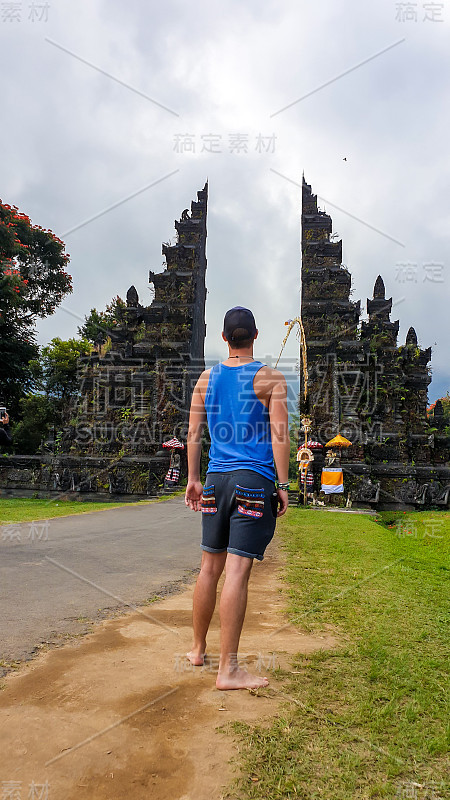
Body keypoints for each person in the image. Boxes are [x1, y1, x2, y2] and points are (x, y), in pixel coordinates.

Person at [185, 307, 290, 690]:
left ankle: (198, 651)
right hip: (253, 481)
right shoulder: (270, 378)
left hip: (215, 481)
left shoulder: (206, 378)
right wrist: (283, 484)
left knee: (208, 568)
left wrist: (194, 479)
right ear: (256, 335)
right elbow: (280, 437)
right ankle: (227, 671)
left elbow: (193, 435)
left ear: (225, 337)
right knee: (237, 572)